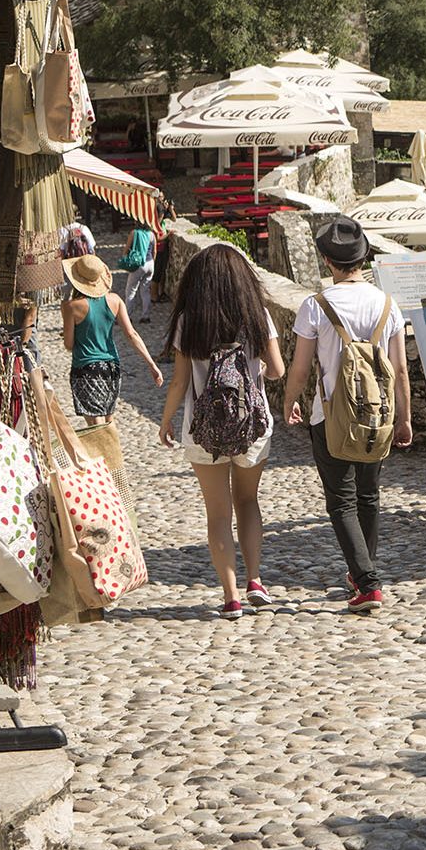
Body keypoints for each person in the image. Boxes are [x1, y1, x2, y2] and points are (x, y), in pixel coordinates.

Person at [280, 216, 413, 615]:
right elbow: (400, 370)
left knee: (341, 501)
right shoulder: (387, 304)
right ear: (364, 256)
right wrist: (404, 418)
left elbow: (301, 368)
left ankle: (367, 581)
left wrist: (290, 400)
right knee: (369, 495)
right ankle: (362, 573)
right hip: (378, 415)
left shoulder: (316, 306)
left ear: (327, 261)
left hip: (330, 416)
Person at [157, 242, 287, 620]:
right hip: (253, 427)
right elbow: (277, 370)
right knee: (248, 502)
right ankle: (256, 580)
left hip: (203, 432)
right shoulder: (257, 315)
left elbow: (180, 383)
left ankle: (231, 597)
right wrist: (255, 373)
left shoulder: (189, 322)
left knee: (217, 512)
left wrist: (166, 420)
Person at [62, 255, 161, 427]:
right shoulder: (115, 300)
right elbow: (132, 335)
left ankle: (106, 454)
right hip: (111, 367)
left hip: (86, 368)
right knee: (108, 420)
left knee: (96, 424)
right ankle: (113, 454)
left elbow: (69, 345)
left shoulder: (72, 307)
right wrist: (152, 365)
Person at [117, 220, 156, 323]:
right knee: (145, 291)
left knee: (130, 290)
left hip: (138, 264)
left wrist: (126, 261)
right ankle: (146, 316)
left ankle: (127, 316)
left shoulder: (134, 233)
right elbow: (154, 252)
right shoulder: (152, 234)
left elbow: (126, 250)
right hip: (150, 263)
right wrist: (151, 262)